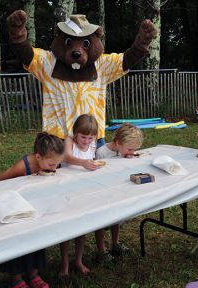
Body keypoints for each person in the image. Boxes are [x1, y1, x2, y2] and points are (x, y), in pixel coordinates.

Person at [0, 132, 65, 288]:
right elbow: (0, 180)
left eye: (57, 165)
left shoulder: (50, 163)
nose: (54, 168)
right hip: (18, 208)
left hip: (37, 207)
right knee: (17, 238)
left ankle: (33, 273)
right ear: (38, 157)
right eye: (51, 165)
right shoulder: (23, 165)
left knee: (36, 236)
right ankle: (17, 277)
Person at [95, 123, 144, 263]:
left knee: (116, 216)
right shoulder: (102, 153)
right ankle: (101, 250)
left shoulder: (125, 152)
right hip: (103, 193)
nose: (132, 152)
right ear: (117, 143)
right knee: (101, 221)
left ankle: (115, 243)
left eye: (135, 150)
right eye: (130, 149)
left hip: (118, 191)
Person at [60, 114, 99, 276]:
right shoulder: (69, 141)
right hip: (65, 190)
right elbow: (66, 157)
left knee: (81, 226)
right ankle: (64, 262)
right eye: (83, 137)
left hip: (84, 190)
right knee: (65, 227)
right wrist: (83, 163)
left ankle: (78, 260)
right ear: (75, 133)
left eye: (90, 138)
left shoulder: (92, 145)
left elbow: (91, 161)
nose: (87, 141)